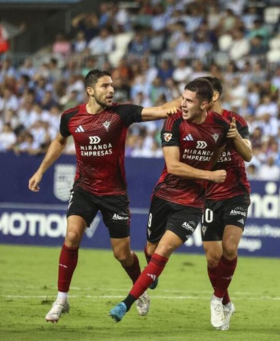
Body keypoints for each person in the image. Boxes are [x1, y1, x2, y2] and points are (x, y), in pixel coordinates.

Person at [28, 69, 178, 323]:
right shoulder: (71, 117)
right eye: (104, 86)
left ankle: (138, 289)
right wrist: (41, 170)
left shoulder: (122, 113)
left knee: (122, 254)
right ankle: (61, 299)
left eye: (112, 86)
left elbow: (162, 110)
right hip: (84, 189)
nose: (111, 90)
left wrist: (185, 101)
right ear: (90, 91)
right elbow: (59, 141)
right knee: (72, 235)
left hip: (114, 194)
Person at [108, 78, 229, 324]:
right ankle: (151, 272)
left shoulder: (221, 126)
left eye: (189, 101)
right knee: (151, 250)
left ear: (205, 104)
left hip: (192, 204)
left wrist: (209, 175)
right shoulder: (173, 121)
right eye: (182, 98)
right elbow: (173, 167)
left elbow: (218, 152)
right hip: (165, 195)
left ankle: (126, 303)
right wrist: (210, 175)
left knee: (163, 251)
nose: (182, 104)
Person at [199, 76, 252, 330]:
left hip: (236, 192)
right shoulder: (196, 124)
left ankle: (216, 299)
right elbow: (203, 164)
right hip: (208, 195)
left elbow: (249, 154)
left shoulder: (236, 121)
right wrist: (220, 144)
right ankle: (227, 302)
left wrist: (234, 137)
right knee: (212, 258)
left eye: (202, 95)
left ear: (214, 97)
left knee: (229, 248)